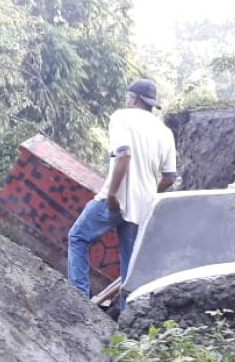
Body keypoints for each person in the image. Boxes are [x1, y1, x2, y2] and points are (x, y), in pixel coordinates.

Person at [67, 79, 176, 310]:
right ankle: (127, 322)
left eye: (128, 97)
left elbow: (124, 156)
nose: (126, 101)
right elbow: (169, 178)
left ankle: (78, 300)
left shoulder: (122, 117)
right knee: (130, 264)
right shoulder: (165, 132)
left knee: (78, 237)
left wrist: (113, 194)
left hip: (115, 200)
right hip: (143, 207)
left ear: (134, 98)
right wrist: (147, 195)